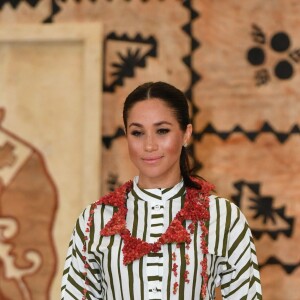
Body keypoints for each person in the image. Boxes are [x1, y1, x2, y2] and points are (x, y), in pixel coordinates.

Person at [61, 82, 262, 300]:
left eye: (162, 131)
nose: (149, 145)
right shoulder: (95, 220)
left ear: (186, 134)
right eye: (137, 132)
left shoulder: (222, 217)